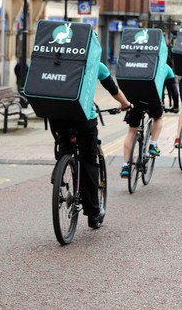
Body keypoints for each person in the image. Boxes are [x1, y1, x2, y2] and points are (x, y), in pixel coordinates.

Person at [49, 62, 131, 229]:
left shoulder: (55, 59)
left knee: (65, 144)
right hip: (84, 119)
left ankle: (61, 168)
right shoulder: (96, 65)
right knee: (89, 161)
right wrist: (125, 105)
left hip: (57, 116)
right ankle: (93, 213)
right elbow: (113, 90)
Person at [120, 63, 175, 178]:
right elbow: (174, 91)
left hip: (135, 101)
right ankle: (153, 144)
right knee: (158, 118)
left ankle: (125, 166)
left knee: (131, 132)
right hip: (153, 102)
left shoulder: (138, 65)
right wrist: (176, 106)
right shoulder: (165, 67)